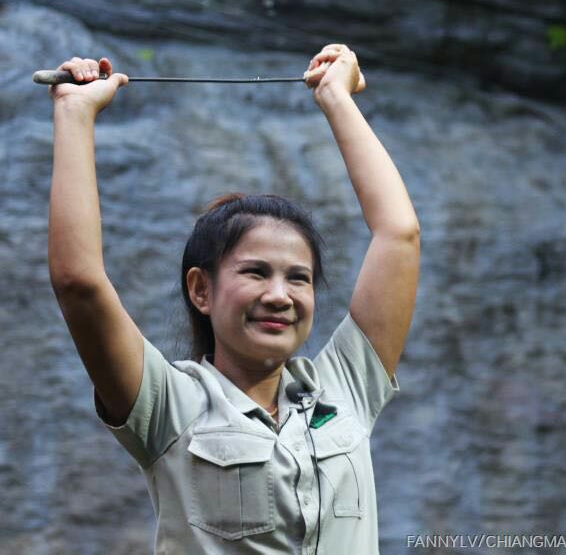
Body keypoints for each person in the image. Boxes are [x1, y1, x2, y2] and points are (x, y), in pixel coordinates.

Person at [47, 45, 420, 554]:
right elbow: (79, 282)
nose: (279, 295)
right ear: (202, 289)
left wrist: (336, 98)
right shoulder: (166, 405)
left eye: (299, 279)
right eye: (255, 272)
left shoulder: (347, 387)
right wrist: (74, 113)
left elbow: (398, 235)